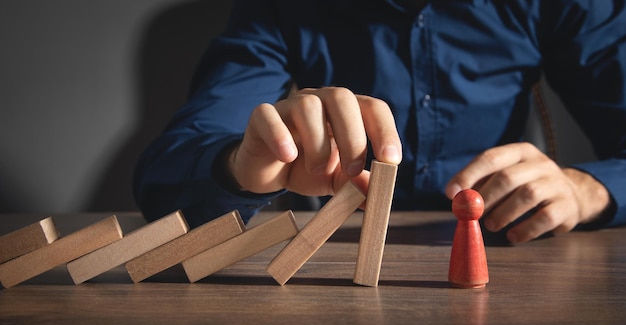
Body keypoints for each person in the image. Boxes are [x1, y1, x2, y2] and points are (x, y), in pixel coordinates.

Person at [133, 0, 626, 244]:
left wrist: (588, 189)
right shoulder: (279, 8)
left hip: (511, 253)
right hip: (336, 256)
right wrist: (239, 169)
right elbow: (169, 176)